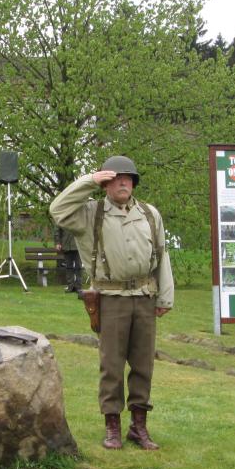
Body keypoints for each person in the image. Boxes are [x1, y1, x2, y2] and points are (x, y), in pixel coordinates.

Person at [50, 154, 174, 450]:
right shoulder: (89, 214)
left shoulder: (149, 213)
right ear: (105, 184)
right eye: (116, 178)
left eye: (127, 178)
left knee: (143, 365)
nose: (123, 183)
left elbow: (161, 254)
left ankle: (139, 427)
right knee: (112, 366)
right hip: (111, 298)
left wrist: (165, 296)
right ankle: (112, 426)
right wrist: (89, 180)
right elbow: (57, 209)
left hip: (144, 296)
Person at [54, 223, 82, 293]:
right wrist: (58, 243)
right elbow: (57, 230)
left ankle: (78, 286)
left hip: (78, 245)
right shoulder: (62, 217)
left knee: (78, 267)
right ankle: (70, 286)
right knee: (68, 267)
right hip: (66, 245)